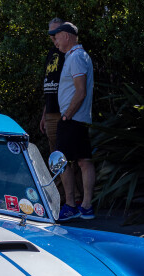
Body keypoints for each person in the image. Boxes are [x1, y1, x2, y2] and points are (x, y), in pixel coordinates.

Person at [51, 21, 95, 221]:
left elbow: (81, 91)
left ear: (67, 36)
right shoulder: (75, 56)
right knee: (82, 160)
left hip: (72, 118)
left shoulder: (76, 57)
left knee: (61, 161)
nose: (55, 41)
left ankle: (71, 205)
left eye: (57, 36)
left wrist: (66, 115)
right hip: (76, 118)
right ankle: (85, 206)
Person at [39, 17, 80, 207]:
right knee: (55, 157)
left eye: (56, 32)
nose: (53, 36)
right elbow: (49, 84)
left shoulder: (69, 54)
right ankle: (61, 197)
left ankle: (73, 198)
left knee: (66, 157)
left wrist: (69, 112)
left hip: (64, 111)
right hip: (51, 112)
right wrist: (44, 114)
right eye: (50, 33)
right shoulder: (51, 54)